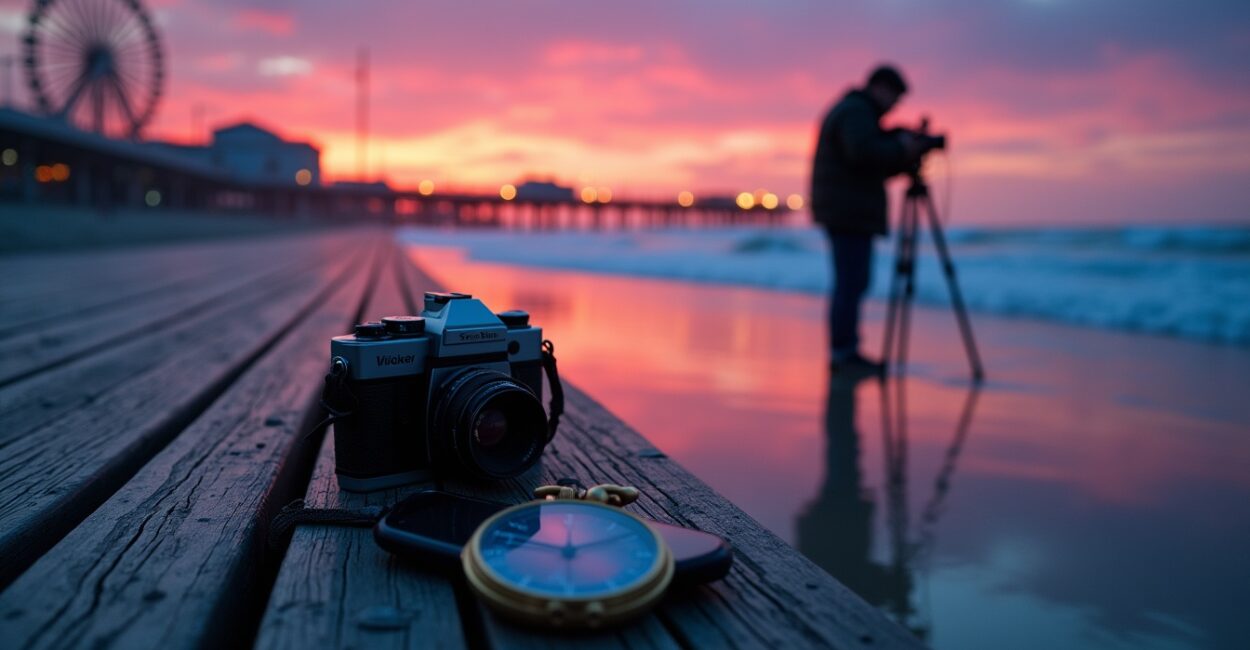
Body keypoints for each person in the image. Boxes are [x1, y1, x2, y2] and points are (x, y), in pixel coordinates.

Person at [810, 64, 921, 372]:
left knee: (852, 282)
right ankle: (844, 354)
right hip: (848, 212)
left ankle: (845, 351)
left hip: (847, 210)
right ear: (880, 88)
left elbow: (867, 161)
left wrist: (900, 152)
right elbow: (862, 153)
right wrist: (900, 147)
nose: (894, 106)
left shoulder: (855, 111)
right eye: (894, 98)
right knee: (851, 283)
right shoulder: (856, 112)